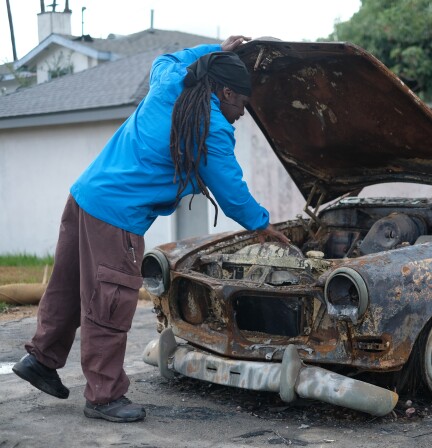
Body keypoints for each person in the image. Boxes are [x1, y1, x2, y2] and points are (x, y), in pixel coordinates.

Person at [12, 35, 290, 423]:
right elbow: (232, 192)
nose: (242, 113)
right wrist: (264, 226)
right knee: (110, 303)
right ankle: (104, 396)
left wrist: (215, 51)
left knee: (67, 289)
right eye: (242, 103)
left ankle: (40, 360)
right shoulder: (210, 127)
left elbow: (166, 59)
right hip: (116, 218)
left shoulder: (170, 82)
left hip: (83, 197)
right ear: (226, 92)